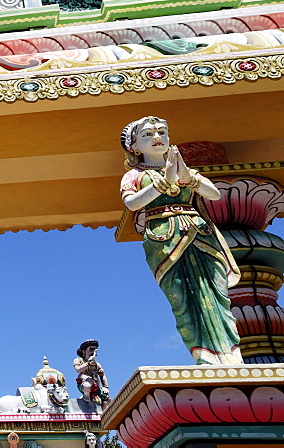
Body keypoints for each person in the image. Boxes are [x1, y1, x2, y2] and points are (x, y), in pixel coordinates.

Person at [120, 116, 243, 364]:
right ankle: (204, 356)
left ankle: (231, 354)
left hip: (200, 234)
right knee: (182, 298)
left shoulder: (186, 171)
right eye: (147, 135)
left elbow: (214, 194)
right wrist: (163, 183)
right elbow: (132, 203)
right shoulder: (134, 175)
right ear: (134, 146)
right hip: (164, 239)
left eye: (162, 132)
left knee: (217, 293)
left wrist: (189, 178)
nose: (157, 138)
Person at [73, 339, 109, 406]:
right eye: (91, 349)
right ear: (84, 351)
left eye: (95, 350)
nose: (93, 352)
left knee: (107, 398)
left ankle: (104, 415)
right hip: (84, 384)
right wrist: (88, 364)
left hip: (96, 387)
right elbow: (78, 369)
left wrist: (105, 387)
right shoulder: (79, 360)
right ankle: (86, 396)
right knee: (88, 382)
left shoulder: (96, 364)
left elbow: (102, 375)